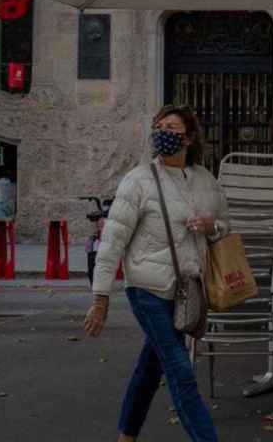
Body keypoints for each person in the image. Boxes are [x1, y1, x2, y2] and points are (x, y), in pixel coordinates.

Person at [84, 105, 228, 442]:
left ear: (188, 136)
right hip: (147, 290)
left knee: (151, 368)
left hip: (186, 291)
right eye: (159, 126)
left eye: (172, 126)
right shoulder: (138, 181)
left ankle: (126, 436)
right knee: (181, 372)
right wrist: (100, 298)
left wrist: (211, 226)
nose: (163, 131)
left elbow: (226, 226)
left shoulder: (205, 181)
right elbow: (112, 242)